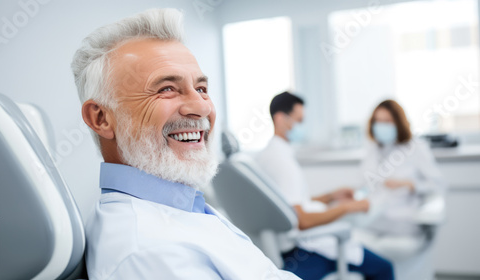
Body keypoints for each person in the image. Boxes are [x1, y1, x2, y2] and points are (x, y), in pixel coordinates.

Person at [71, 9, 300, 279]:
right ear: (101, 118)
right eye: (166, 88)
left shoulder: (181, 207)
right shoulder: (151, 253)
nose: (201, 107)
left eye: (202, 89)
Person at [255, 92, 394, 280]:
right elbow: (302, 220)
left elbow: (287, 204)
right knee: (384, 269)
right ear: (280, 119)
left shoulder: (268, 155)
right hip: (303, 250)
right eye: (299, 120)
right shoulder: (282, 163)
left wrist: (331, 196)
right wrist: (348, 207)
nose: (302, 126)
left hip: (289, 247)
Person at [352, 99, 446, 260]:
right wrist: (357, 196)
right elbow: (363, 185)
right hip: (374, 221)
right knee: (350, 248)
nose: (381, 126)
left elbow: (438, 185)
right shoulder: (372, 149)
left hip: (404, 222)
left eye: (387, 121)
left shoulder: (416, 147)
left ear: (398, 122)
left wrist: (409, 184)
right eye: (378, 121)